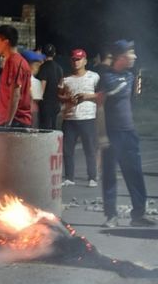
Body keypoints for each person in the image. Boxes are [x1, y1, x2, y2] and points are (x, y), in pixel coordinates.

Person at [98, 40, 155, 228]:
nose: (135, 56)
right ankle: (111, 216)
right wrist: (102, 135)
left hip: (129, 133)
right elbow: (100, 107)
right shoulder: (106, 78)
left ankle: (138, 214)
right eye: (131, 53)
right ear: (121, 56)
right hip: (112, 134)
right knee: (109, 175)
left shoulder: (130, 76)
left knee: (135, 174)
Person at [58, 49, 99, 187]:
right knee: (67, 150)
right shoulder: (65, 79)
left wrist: (87, 96)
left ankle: (92, 177)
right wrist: (68, 98)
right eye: (74, 59)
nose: (76, 62)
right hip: (69, 119)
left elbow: (102, 94)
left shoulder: (94, 77)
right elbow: (59, 95)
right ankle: (69, 177)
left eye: (79, 59)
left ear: (85, 61)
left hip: (87, 118)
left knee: (90, 149)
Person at [0, 25, 32, 128]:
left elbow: (15, 94)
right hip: (15, 120)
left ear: (5, 42)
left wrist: (8, 122)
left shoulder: (13, 62)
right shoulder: (17, 61)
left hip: (15, 121)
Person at [36, 43, 64, 129]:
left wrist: (36, 100)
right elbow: (61, 85)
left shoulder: (43, 67)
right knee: (54, 128)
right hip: (56, 103)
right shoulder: (59, 68)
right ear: (54, 54)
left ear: (43, 54)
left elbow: (42, 86)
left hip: (46, 104)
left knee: (45, 130)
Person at [20, 50, 45, 128]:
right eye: (36, 65)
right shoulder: (35, 82)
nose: (38, 68)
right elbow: (36, 100)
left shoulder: (17, 80)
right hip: (30, 115)